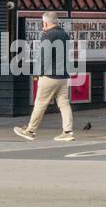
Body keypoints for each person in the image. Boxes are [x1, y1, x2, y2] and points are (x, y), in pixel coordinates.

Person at [14, 11, 76, 142]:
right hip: (63, 76)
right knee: (64, 104)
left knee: (40, 104)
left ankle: (30, 131)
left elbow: (44, 58)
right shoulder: (64, 35)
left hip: (49, 76)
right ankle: (68, 132)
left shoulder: (48, 36)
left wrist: (38, 73)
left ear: (45, 22)